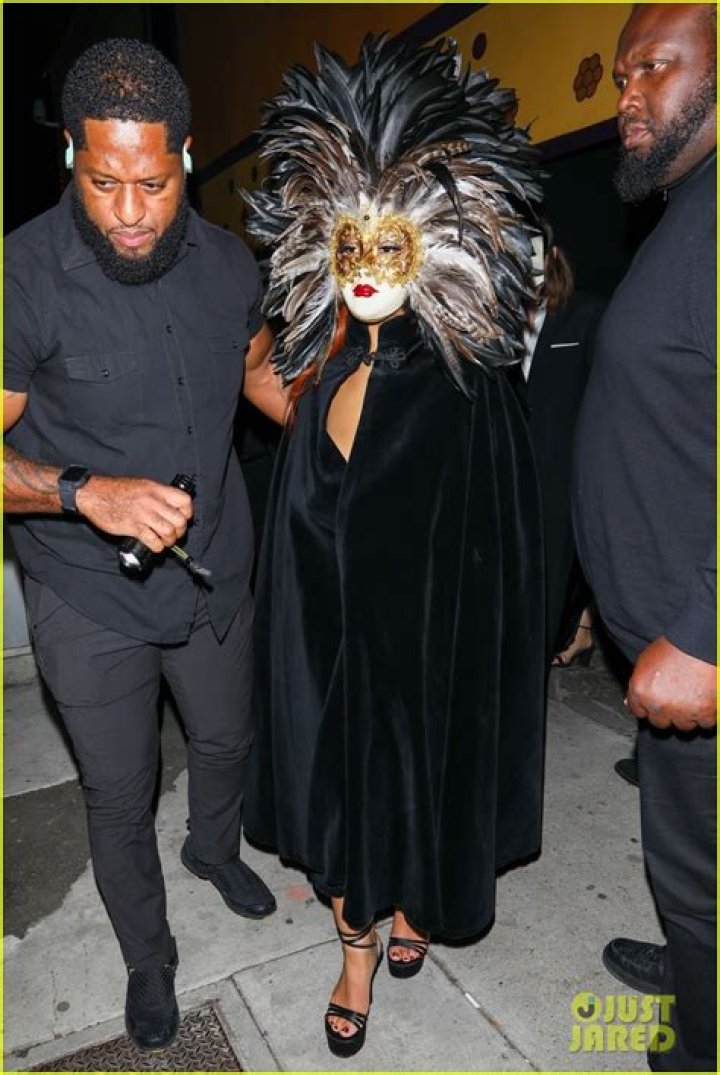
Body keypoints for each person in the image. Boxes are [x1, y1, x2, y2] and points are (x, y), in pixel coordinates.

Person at [242, 35, 546, 1058]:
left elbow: (502, 549)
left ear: (438, 243)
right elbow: (297, 531)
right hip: (334, 661)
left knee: (417, 801)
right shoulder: (325, 375)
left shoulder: (472, 390)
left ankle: (413, 907)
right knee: (341, 818)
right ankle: (354, 957)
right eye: (348, 243)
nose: (366, 268)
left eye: (390, 243)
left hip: (425, 661)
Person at [3, 39, 287, 1053]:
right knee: (119, 791)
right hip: (88, 594)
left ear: (187, 158)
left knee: (225, 738)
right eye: (102, 181)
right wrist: (86, 493)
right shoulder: (22, 275)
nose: (129, 210)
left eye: (154, 184)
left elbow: (265, 380)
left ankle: (214, 847)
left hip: (215, 567)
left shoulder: (229, 263)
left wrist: (377, 413)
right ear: (71, 156)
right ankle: (148, 955)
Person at [572, 4, 716, 1070]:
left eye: (656, 68)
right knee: (691, 864)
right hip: (663, 634)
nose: (628, 94)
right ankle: (695, 958)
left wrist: (705, 630)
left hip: (699, 650)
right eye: (625, 74)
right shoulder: (686, 210)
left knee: (703, 869)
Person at [514, 222, 604, 666]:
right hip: (504, 475)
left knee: (548, 585)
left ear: (551, 257)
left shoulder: (586, 315)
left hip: (557, 478)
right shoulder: (490, 326)